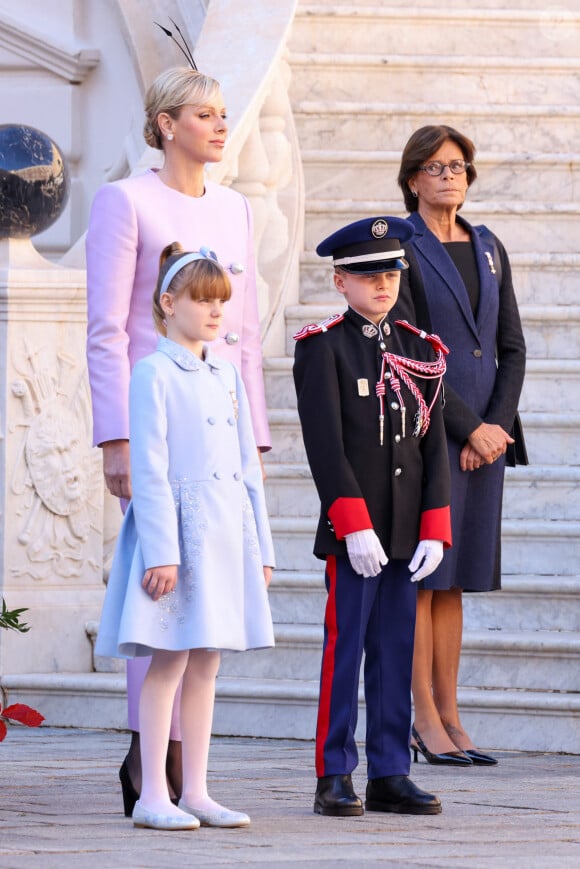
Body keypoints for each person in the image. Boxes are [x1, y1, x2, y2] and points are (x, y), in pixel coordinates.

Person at [86, 66, 271, 814]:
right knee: (159, 594)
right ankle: (149, 762)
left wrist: (252, 434)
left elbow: (248, 335)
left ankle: (183, 777)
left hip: (220, 422)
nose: (220, 126)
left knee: (207, 625)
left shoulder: (236, 209)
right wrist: (116, 439)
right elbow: (107, 328)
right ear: (166, 124)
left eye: (224, 114)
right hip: (154, 412)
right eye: (204, 114)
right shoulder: (124, 200)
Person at [95, 243, 275, 830]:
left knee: (207, 662)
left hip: (225, 532)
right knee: (167, 662)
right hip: (176, 532)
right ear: (168, 304)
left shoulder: (225, 372)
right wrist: (163, 552)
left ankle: (196, 789)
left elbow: (248, 465)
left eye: (221, 300)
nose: (214, 311)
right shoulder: (152, 371)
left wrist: (262, 548)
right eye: (201, 299)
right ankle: (152, 795)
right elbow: (149, 465)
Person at [293, 216, 452, 817]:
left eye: (389, 272)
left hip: (407, 530)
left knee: (396, 647)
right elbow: (325, 447)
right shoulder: (324, 347)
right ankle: (334, 772)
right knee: (347, 649)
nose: (381, 284)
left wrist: (435, 525)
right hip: (354, 532)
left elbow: (430, 443)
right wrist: (350, 522)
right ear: (341, 282)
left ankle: (390, 771)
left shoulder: (420, 349)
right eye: (366, 274)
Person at [396, 125, 526, 766]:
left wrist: (495, 428)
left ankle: (450, 711)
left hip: (486, 445)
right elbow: (408, 352)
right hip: (431, 435)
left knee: (456, 582)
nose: (450, 176)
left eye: (459, 166)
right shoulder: (402, 246)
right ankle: (422, 716)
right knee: (424, 579)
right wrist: (465, 426)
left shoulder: (490, 245)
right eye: (437, 166)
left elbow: (511, 346)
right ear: (413, 178)